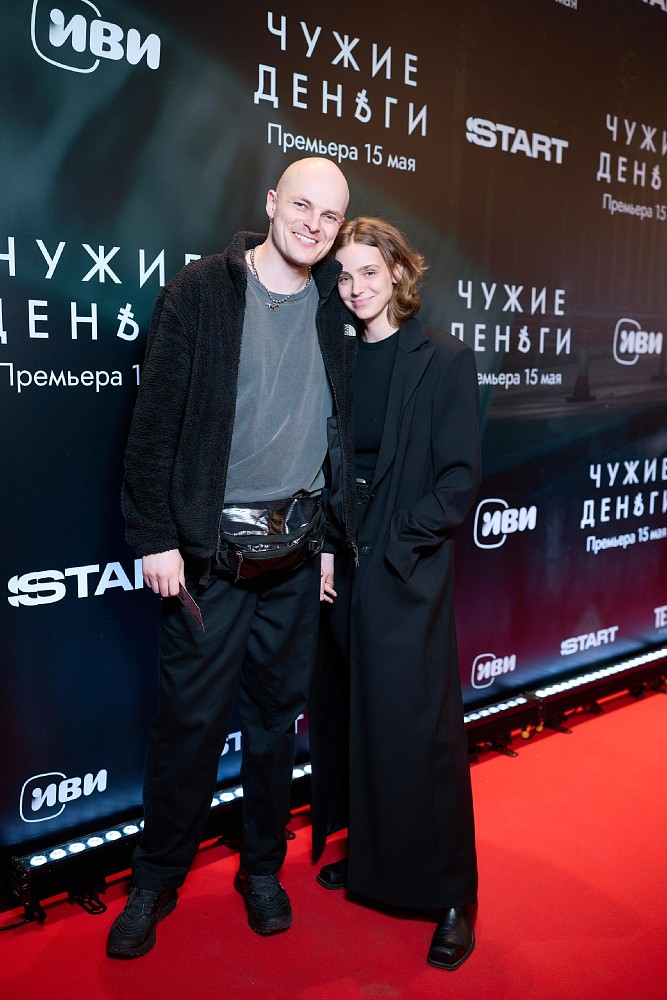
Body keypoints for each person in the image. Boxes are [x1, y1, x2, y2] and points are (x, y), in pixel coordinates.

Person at [107, 157, 358, 958]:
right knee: (187, 726)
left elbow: (343, 433)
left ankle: (260, 871)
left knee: (274, 726)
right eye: (302, 206)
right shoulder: (201, 291)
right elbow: (153, 423)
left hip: (297, 557)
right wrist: (154, 536)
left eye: (329, 216)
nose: (312, 225)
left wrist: (329, 542)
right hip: (208, 559)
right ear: (272, 203)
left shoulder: (336, 302)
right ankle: (155, 880)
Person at [309, 217, 481, 970]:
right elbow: (327, 465)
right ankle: (375, 859)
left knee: (423, 732)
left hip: (406, 570)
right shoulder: (339, 360)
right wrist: (327, 547)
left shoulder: (442, 358)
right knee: (361, 720)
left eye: (369, 272)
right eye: (344, 275)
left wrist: (396, 545)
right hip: (345, 567)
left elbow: (458, 483)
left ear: (399, 274)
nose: (356, 288)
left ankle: (452, 894)